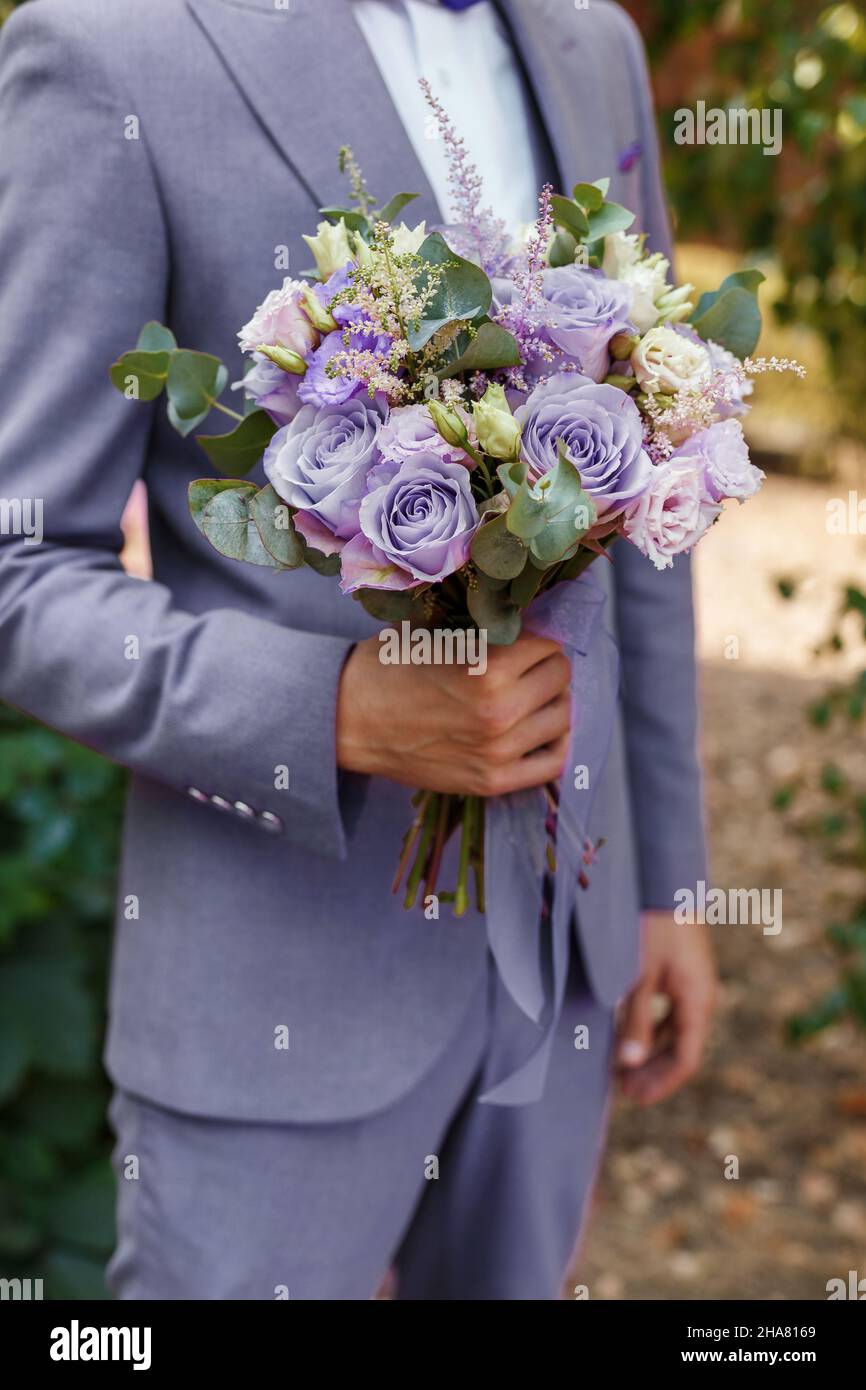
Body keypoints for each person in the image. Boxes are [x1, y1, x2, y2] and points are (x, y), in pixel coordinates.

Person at [0, 0, 716, 1300]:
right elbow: (19, 570)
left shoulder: (589, 44)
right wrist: (324, 707)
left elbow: (645, 511)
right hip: (278, 974)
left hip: (562, 958)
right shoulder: (111, 48)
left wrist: (669, 883)